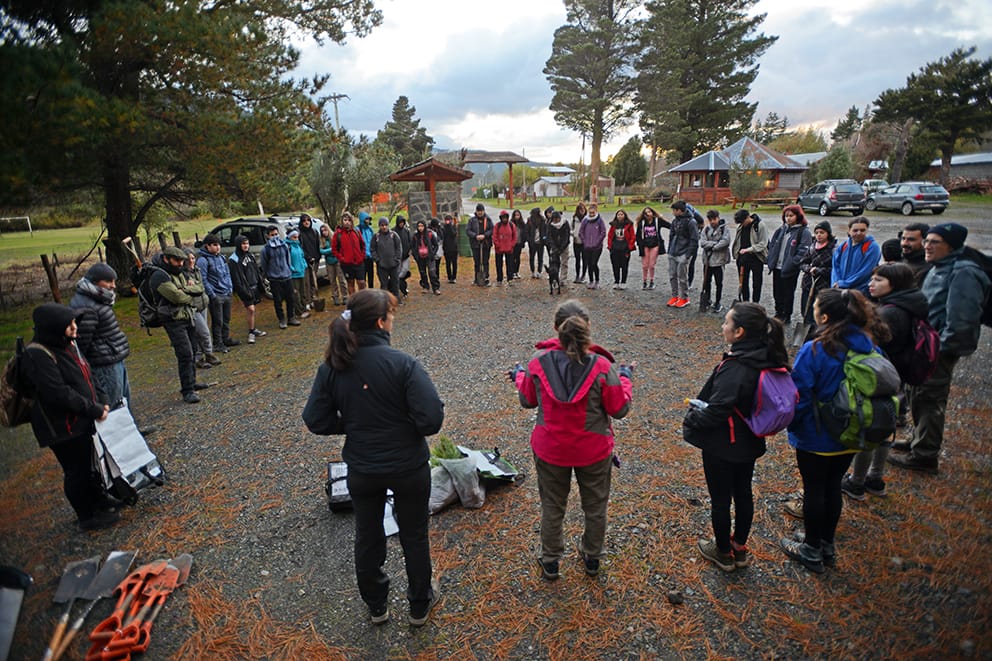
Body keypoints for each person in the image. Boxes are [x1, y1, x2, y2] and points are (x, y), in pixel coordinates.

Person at [303, 289, 444, 626]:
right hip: (408, 466)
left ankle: (377, 605)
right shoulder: (404, 364)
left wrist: (353, 423)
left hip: (363, 468)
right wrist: (402, 425)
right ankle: (419, 605)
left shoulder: (334, 366)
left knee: (367, 534)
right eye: (391, 315)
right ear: (381, 322)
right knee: (414, 534)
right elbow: (431, 419)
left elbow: (316, 419)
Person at [511, 299, 633, 580]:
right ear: (587, 328)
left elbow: (527, 400)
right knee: (596, 506)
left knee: (552, 505)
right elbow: (620, 409)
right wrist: (625, 379)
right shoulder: (602, 366)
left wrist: (520, 378)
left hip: (551, 448)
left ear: (556, 328)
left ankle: (551, 560)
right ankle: (592, 557)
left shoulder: (537, 363)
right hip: (593, 449)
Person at [781, 288, 890, 573]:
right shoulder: (869, 346)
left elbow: (799, 394)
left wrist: (794, 426)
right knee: (832, 487)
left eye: (816, 308)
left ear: (825, 316)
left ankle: (811, 549)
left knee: (814, 489)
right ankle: (826, 544)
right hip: (852, 432)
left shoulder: (815, 350)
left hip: (817, 434)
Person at [684, 302, 789, 571]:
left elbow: (718, 409)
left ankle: (721, 551)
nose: (723, 326)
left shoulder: (737, 367)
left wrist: (693, 419)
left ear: (739, 331)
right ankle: (739, 547)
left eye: (727, 322)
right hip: (750, 439)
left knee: (720, 499)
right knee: (743, 493)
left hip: (724, 444)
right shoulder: (766, 356)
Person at [889, 223, 990, 474]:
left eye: (934, 242)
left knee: (931, 398)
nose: (927, 246)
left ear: (952, 246)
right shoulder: (938, 268)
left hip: (937, 350)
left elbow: (962, 321)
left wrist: (940, 350)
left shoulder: (964, 273)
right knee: (917, 395)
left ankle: (925, 455)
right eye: (927, 241)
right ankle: (917, 439)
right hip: (923, 345)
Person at [18, 303, 116, 530]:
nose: (74, 328)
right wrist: (93, 409)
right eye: (69, 325)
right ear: (53, 328)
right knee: (76, 470)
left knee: (90, 464)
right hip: (62, 428)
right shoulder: (36, 355)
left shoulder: (68, 345)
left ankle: (99, 500)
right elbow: (58, 394)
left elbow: (86, 374)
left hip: (82, 420)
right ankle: (86, 517)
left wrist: (101, 400)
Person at [841, 263, 926, 499]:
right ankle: (876, 478)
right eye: (872, 279)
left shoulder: (890, 312)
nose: (871, 284)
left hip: (879, 377)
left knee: (871, 430)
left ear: (895, 284)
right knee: (885, 426)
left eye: (878, 280)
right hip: (897, 376)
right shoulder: (912, 302)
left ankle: (857, 481)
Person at [149, 247, 209, 402]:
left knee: (193, 350)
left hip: (187, 316)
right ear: (166, 259)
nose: (181, 264)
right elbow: (176, 297)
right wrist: (189, 294)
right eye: (177, 260)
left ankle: (192, 382)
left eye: (182, 261)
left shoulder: (179, 273)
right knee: (185, 353)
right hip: (173, 319)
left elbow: (200, 287)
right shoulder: (159, 276)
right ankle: (187, 390)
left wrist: (184, 290)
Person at [69, 263, 132, 408]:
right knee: (113, 402)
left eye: (114, 281)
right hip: (103, 363)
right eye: (108, 281)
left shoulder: (99, 299)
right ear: (95, 281)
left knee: (124, 397)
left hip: (112, 356)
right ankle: (116, 430)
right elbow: (82, 341)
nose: (113, 286)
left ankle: (130, 429)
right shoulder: (86, 306)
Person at [766, 205, 812, 323]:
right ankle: (778, 312)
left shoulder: (803, 232)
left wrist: (793, 262)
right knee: (777, 292)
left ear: (798, 216)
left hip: (790, 268)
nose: (788, 218)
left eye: (791, 216)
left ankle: (786, 315)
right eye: (786, 216)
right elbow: (772, 246)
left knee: (788, 292)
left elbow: (803, 251)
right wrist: (771, 259)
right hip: (777, 266)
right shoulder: (781, 230)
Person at [197, 233, 239, 351]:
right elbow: (203, 279)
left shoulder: (221, 257)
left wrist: (230, 288)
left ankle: (225, 338)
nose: (218, 247)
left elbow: (227, 273)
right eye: (215, 245)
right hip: (216, 295)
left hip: (226, 292)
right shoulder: (203, 260)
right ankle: (218, 342)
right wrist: (212, 294)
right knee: (217, 321)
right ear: (207, 246)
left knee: (226, 319)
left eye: (218, 245)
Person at [797, 221, 835, 336]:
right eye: (817, 232)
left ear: (828, 233)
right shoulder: (812, 247)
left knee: (819, 311)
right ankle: (806, 333)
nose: (819, 235)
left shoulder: (832, 249)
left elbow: (833, 269)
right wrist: (808, 269)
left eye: (822, 232)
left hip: (822, 286)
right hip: (808, 284)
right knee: (806, 309)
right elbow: (802, 262)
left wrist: (818, 271)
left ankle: (818, 333)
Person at [228, 235, 268, 343]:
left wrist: (261, 283)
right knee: (251, 309)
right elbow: (236, 279)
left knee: (253, 309)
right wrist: (243, 291)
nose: (246, 246)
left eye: (247, 243)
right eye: (243, 244)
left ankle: (253, 328)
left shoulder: (250, 256)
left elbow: (255, 270)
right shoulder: (234, 259)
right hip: (245, 288)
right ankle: (251, 332)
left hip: (254, 286)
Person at [183, 249, 217, 367]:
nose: (191, 261)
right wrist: (195, 288)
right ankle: (202, 356)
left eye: (192, 258)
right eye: (188, 259)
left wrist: (196, 287)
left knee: (202, 331)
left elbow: (201, 287)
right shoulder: (183, 275)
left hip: (203, 304)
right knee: (203, 332)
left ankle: (207, 355)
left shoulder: (197, 270)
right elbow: (187, 290)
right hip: (193, 307)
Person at [260, 225, 299, 329]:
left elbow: (288, 259)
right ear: (268, 236)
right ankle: (282, 319)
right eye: (272, 235)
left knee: (290, 299)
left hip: (287, 276)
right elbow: (264, 264)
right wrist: (269, 275)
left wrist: (289, 270)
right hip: (275, 279)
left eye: (276, 234)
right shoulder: (266, 250)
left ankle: (291, 317)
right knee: (278, 301)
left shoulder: (284, 246)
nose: (275, 236)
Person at [831, 217, 880, 294]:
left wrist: (845, 284)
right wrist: (836, 282)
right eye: (855, 230)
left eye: (862, 230)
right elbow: (835, 266)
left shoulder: (872, 247)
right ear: (849, 231)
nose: (859, 233)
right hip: (840, 289)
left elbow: (866, 271)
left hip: (860, 291)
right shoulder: (844, 245)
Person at [666, 201, 700, 308]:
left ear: (679, 211)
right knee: (672, 276)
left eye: (674, 210)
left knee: (682, 277)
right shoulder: (675, 221)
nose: (672, 212)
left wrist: (688, 254)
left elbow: (694, 239)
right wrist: (670, 249)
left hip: (683, 253)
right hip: (673, 252)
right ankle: (674, 296)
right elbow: (671, 235)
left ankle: (684, 297)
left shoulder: (691, 222)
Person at [731, 209, 769, 304]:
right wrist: (736, 254)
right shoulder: (740, 227)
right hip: (743, 258)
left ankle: (755, 303)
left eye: (743, 222)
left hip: (756, 258)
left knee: (757, 283)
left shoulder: (760, 226)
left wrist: (749, 249)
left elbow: (763, 243)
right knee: (743, 282)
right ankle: (745, 302)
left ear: (748, 217)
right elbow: (737, 241)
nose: (742, 224)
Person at [698, 210, 731, 313]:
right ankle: (707, 300)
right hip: (707, 261)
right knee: (706, 282)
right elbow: (702, 242)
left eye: (714, 219)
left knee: (718, 283)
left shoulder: (724, 229)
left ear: (718, 217)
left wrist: (713, 246)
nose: (712, 221)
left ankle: (718, 302)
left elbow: (725, 242)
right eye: (710, 219)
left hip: (719, 261)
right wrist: (715, 244)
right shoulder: (706, 229)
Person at [331, 212, 367, 300]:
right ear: (342, 221)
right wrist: (342, 258)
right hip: (347, 264)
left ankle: (363, 301)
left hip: (359, 262)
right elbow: (334, 249)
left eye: (349, 220)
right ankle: (354, 302)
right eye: (345, 220)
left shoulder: (356, 231)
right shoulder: (338, 234)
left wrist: (362, 256)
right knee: (350, 283)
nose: (347, 222)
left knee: (362, 283)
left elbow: (363, 245)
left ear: (351, 221)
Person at [371, 217, 402, 298]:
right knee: (384, 285)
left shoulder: (394, 235)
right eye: (382, 225)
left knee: (395, 283)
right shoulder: (376, 237)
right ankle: (384, 302)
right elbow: (372, 249)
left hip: (394, 265)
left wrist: (397, 259)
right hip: (382, 266)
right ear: (379, 226)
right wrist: (377, 260)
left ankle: (397, 299)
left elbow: (399, 248)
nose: (384, 227)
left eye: (385, 225)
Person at [635, 207, 665, 290]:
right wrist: (639, 244)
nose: (648, 214)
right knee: (645, 265)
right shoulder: (642, 223)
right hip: (645, 245)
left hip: (655, 245)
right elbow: (637, 235)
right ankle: (644, 281)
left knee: (651, 265)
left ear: (652, 213)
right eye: (646, 212)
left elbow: (670, 225)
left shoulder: (657, 221)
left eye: (649, 212)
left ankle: (651, 281)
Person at [318, 224, 347, 307]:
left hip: (338, 260)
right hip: (329, 262)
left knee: (342, 279)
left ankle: (345, 296)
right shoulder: (322, 240)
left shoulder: (335, 236)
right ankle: (335, 297)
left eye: (325, 230)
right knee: (332, 280)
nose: (324, 232)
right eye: (322, 231)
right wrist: (332, 250)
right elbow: (321, 251)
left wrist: (331, 250)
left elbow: (339, 247)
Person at [579, 203, 607, 289]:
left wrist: (597, 242)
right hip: (587, 246)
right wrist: (585, 241)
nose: (591, 214)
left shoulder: (599, 220)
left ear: (596, 211)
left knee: (594, 263)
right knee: (589, 264)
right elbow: (581, 232)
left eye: (593, 212)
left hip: (597, 247)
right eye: (590, 212)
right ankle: (591, 280)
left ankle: (597, 280)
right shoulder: (585, 220)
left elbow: (603, 232)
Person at [285, 229, 310, 320]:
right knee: (296, 293)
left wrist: (304, 265)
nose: (296, 238)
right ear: (290, 237)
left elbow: (302, 256)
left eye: (297, 237)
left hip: (302, 272)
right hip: (294, 274)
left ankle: (304, 308)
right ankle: (298, 312)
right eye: (294, 237)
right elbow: (287, 260)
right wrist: (292, 268)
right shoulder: (287, 247)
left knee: (303, 291)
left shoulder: (298, 246)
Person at [606, 209, 635, 290]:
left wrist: (630, 247)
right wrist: (610, 246)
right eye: (618, 214)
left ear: (625, 215)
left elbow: (633, 236)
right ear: (616, 216)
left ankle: (623, 282)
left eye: (622, 214)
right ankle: (616, 281)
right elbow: (610, 236)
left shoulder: (629, 224)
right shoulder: (613, 225)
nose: (620, 216)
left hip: (625, 248)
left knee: (624, 266)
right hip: (615, 248)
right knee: (615, 266)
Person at [411, 220, 441, 295]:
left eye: (422, 226)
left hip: (429, 257)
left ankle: (436, 288)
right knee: (423, 273)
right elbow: (412, 246)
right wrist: (415, 255)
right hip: (420, 258)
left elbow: (436, 245)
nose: (420, 228)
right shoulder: (415, 236)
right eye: (419, 226)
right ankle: (425, 286)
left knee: (432, 272)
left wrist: (433, 253)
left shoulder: (430, 234)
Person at [298, 214, 321, 310]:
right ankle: (307, 301)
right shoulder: (300, 234)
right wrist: (308, 257)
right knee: (306, 283)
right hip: (305, 262)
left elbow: (317, 245)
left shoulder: (314, 232)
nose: (306, 222)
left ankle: (312, 299)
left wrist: (317, 257)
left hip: (315, 260)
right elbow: (301, 248)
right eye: (304, 220)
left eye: (308, 220)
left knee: (313, 282)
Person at [466, 203, 493, 286]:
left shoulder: (488, 219)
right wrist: (475, 236)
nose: (480, 213)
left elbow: (492, 229)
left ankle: (486, 278)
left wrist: (484, 235)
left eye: (481, 211)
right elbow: (468, 230)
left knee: (485, 261)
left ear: (483, 211)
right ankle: (476, 278)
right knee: (477, 262)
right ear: (476, 211)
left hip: (486, 244)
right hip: (475, 244)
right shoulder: (472, 220)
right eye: (478, 211)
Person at [545, 210, 571, 285]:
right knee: (554, 263)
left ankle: (563, 278)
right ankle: (554, 276)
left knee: (564, 262)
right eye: (554, 219)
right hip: (554, 246)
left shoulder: (565, 223)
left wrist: (562, 247)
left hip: (564, 246)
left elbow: (566, 236)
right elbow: (549, 237)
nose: (556, 221)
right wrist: (554, 247)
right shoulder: (550, 225)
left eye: (557, 219)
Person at [492, 209, 518, 285]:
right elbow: (494, 236)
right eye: (503, 218)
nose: (504, 219)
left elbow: (514, 236)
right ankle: (499, 279)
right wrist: (498, 245)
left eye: (505, 218)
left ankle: (510, 278)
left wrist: (511, 245)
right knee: (499, 265)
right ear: (501, 218)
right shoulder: (497, 225)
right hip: (499, 249)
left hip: (509, 249)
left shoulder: (511, 225)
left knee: (510, 264)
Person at [394, 216, 413, 296]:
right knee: (397, 273)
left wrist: (410, 251)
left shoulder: (406, 231)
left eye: (402, 222)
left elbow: (410, 241)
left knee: (404, 272)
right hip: (397, 257)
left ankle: (401, 285)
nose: (401, 224)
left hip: (405, 256)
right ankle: (398, 287)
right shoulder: (393, 232)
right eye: (400, 222)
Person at [357, 212, 376, 289]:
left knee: (371, 276)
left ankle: (371, 291)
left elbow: (373, 242)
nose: (368, 221)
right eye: (366, 219)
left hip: (370, 257)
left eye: (369, 219)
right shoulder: (357, 230)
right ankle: (364, 293)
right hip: (362, 258)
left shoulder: (370, 229)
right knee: (362, 278)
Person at [526, 207, 545, 278]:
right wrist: (529, 240)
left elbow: (545, 230)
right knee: (532, 257)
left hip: (541, 242)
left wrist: (544, 239)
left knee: (540, 258)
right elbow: (526, 231)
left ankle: (539, 271)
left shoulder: (543, 220)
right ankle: (533, 271)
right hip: (532, 242)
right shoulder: (530, 220)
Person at [440, 214, 459, 284]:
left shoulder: (453, 227)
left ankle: (454, 277)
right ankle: (449, 277)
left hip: (454, 248)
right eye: (446, 220)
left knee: (454, 263)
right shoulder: (443, 228)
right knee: (448, 263)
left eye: (449, 220)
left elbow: (453, 234)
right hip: (446, 248)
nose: (447, 221)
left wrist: (450, 226)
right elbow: (443, 235)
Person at [571, 203, 587, 284]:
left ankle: (583, 275)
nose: (582, 211)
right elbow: (571, 228)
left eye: (583, 209)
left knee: (585, 259)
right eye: (580, 210)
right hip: (576, 241)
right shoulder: (574, 219)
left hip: (585, 243)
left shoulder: (587, 219)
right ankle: (577, 275)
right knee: (577, 259)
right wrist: (573, 233)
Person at [510, 209, 527, 281]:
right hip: (512, 244)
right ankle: (512, 272)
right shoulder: (511, 223)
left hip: (519, 243)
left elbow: (525, 234)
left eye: (518, 215)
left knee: (518, 258)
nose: (517, 216)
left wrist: (523, 242)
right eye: (515, 215)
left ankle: (517, 271)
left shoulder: (522, 224)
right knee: (512, 258)